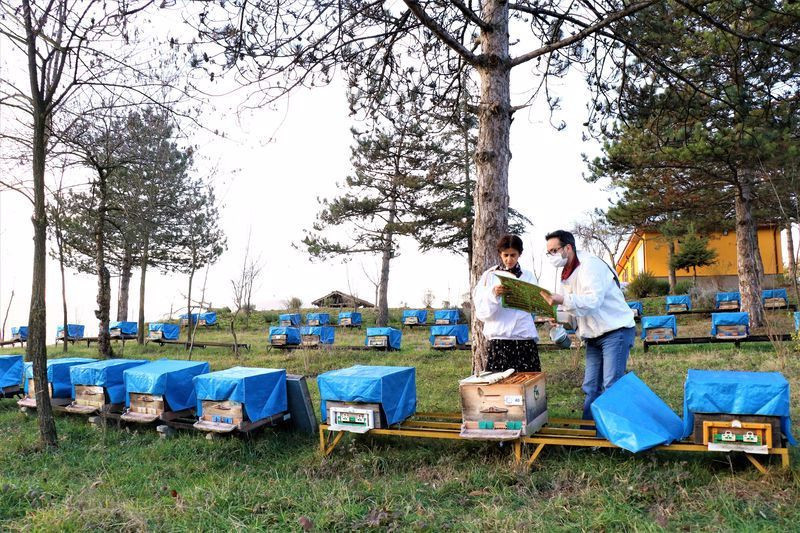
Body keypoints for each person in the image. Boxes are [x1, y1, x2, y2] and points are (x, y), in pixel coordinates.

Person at [540, 229, 635, 421]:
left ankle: (613, 432)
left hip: (615, 330)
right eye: (548, 252)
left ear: (568, 248)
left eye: (554, 250)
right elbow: (575, 307)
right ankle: (589, 430)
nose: (551, 256)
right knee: (591, 386)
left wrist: (562, 299)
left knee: (611, 384)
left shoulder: (590, 265)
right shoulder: (566, 273)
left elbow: (592, 301)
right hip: (593, 335)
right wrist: (557, 317)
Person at [472, 234, 540, 373]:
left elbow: (535, 304)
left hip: (523, 337)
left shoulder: (528, 276)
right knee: (500, 382)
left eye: (513, 255)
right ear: (500, 254)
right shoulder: (489, 276)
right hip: (500, 339)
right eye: (506, 255)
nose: (509, 259)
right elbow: (481, 312)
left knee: (527, 381)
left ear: (520, 254)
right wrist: (493, 294)